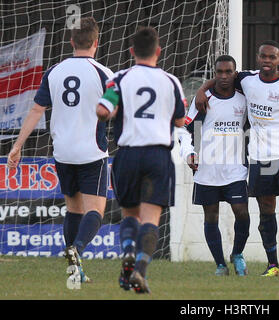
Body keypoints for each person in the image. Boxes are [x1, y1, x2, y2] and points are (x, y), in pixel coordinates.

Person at [195, 40, 279, 277]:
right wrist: (200, 90)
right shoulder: (246, 79)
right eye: (263, 56)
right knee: (266, 208)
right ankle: (272, 264)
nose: (267, 61)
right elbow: (221, 78)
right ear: (258, 58)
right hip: (259, 156)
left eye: (272, 57)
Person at [7, 17, 113, 289]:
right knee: (96, 212)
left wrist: (17, 146)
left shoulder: (54, 71)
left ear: (71, 42)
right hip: (91, 152)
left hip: (63, 152)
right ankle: (76, 247)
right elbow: (116, 110)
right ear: (96, 43)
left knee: (73, 209)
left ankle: (74, 271)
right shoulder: (104, 73)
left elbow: (36, 110)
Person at [96, 26, 186, 294]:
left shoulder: (120, 79)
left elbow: (103, 110)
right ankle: (141, 270)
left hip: (128, 154)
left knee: (129, 214)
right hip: (158, 155)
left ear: (132, 51)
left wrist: (109, 111)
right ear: (158, 52)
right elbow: (181, 120)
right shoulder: (171, 81)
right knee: (151, 218)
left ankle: (127, 253)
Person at [178, 55, 250, 276]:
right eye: (219, 72)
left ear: (235, 73)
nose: (224, 76)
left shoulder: (244, 97)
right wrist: (189, 154)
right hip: (207, 170)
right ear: (214, 74)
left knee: (242, 212)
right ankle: (220, 264)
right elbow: (184, 130)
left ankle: (237, 254)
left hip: (235, 169)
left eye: (229, 72)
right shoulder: (203, 99)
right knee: (211, 216)